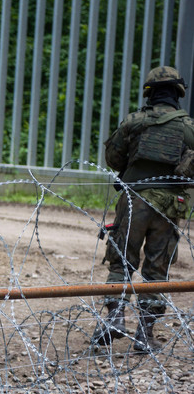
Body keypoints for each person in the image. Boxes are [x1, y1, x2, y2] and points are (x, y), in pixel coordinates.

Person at [92, 66, 194, 353]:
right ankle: (144, 336)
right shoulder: (188, 127)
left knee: (121, 261)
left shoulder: (134, 122)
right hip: (170, 206)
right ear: (178, 93)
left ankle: (114, 319)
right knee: (156, 270)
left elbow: (113, 158)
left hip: (134, 199)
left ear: (149, 92)